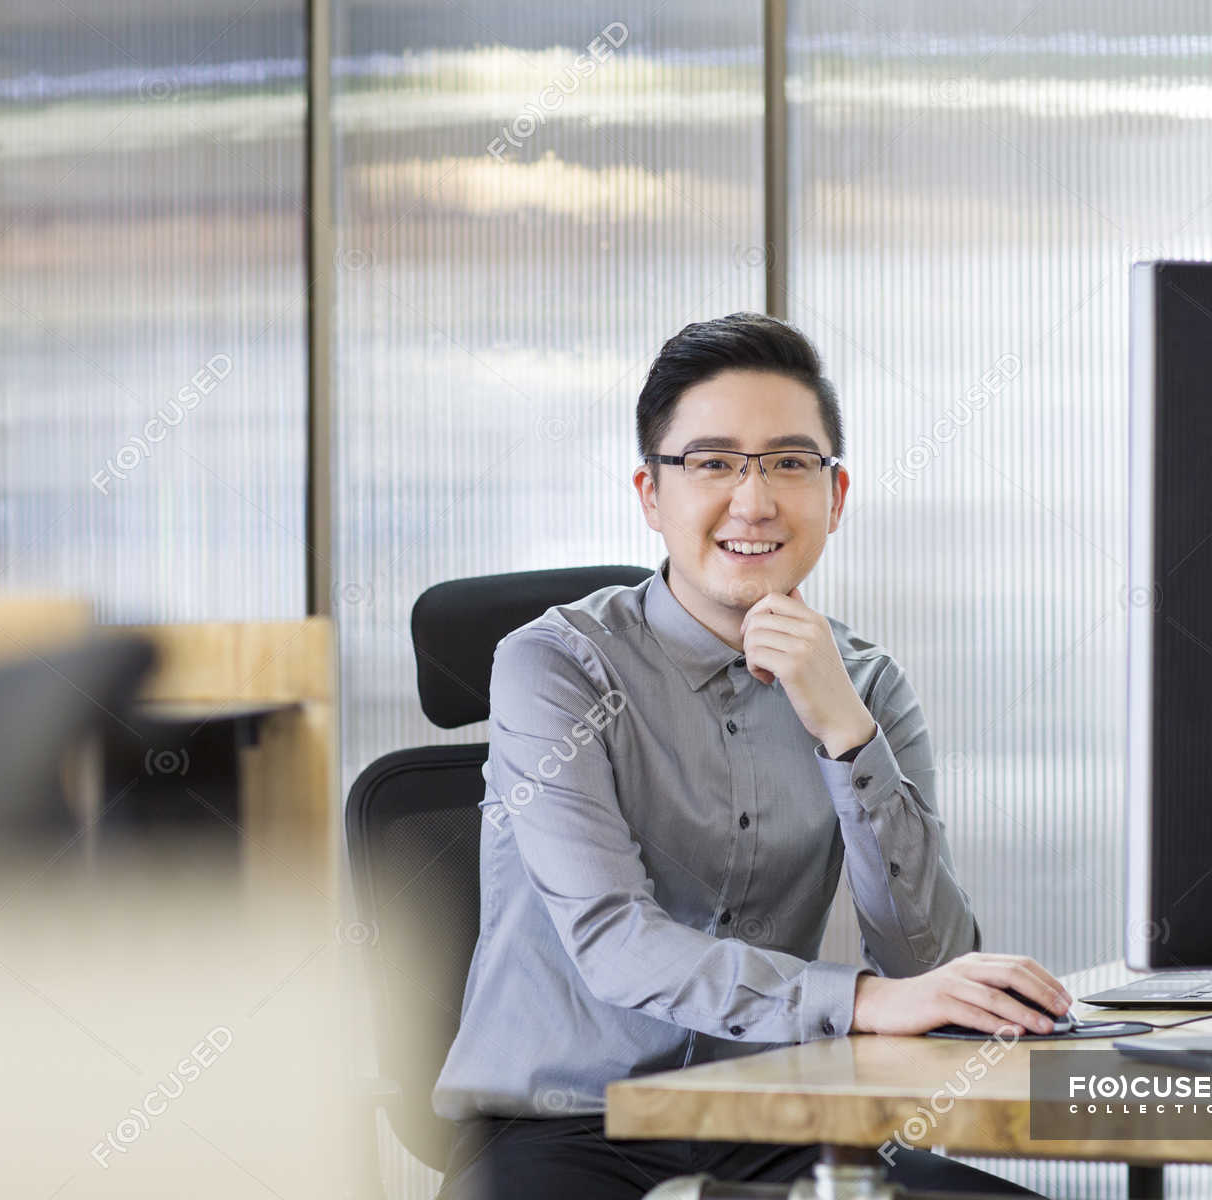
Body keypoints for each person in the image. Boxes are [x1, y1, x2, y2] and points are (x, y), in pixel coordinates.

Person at [433, 313, 1067, 1199]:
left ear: (835, 496)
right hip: (568, 1128)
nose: (755, 499)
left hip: (773, 1119)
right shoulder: (553, 665)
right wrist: (857, 1004)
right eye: (714, 461)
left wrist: (846, 734)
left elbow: (928, 965)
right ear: (652, 495)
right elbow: (616, 941)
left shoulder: (866, 683)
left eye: (788, 462)